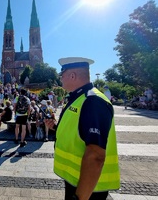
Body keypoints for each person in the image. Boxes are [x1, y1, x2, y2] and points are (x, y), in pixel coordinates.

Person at [45, 57, 120, 200]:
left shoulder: (92, 100)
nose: (60, 79)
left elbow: (96, 155)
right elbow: (80, 131)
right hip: (78, 181)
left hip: (88, 189)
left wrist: (79, 198)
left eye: (62, 75)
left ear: (72, 76)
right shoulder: (79, 97)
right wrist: (55, 127)